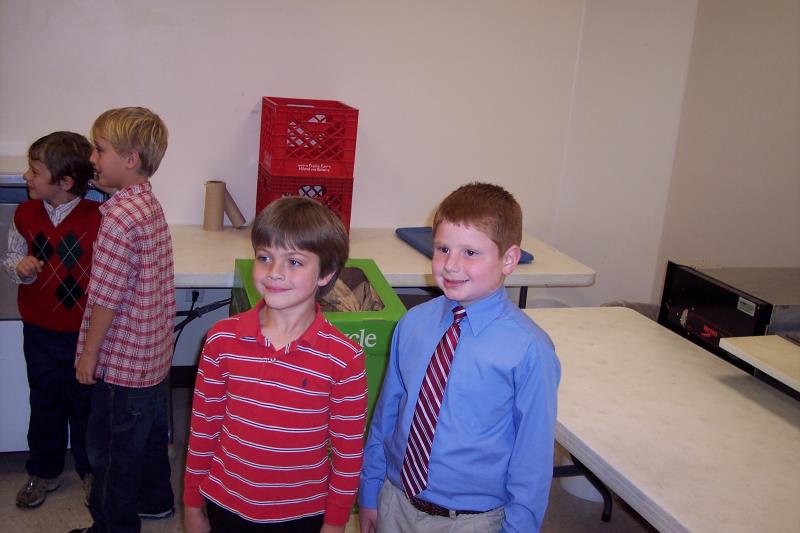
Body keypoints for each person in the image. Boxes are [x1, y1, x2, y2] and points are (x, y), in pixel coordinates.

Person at [359, 182, 561, 533]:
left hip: (472, 520)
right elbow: (386, 413)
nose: (451, 265)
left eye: (470, 253)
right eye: (443, 249)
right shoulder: (413, 323)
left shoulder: (529, 350)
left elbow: (533, 459)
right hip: (397, 500)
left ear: (509, 259)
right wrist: (370, 488)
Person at [183, 196, 368, 533]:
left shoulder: (345, 358)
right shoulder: (222, 339)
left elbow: (348, 454)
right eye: (264, 257)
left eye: (294, 261)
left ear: (326, 273)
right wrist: (192, 502)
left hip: (302, 513)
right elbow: (203, 427)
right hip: (226, 502)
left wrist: (335, 522)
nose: (274, 273)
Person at [69, 107, 175, 533]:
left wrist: (89, 355)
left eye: (100, 149)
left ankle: (113, 526)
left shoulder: (116, 218)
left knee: (110, 453)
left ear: (130, 159)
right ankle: (156, 501)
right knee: (148, 436)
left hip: (122, 364)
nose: (92, 158)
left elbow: (105, 298)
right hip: (152, 357)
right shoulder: (147, 202)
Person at [1, 132, 101, 509]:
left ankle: (91, 471)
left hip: (84, 335)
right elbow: (11, 257)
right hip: (39, 330)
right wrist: (21, 268)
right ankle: (44, 470)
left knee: (85, 406)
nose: (26, 177)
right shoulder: (24, 214)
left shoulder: (100, 218)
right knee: (44, 402)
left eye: (34, 171)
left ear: (64, 182)